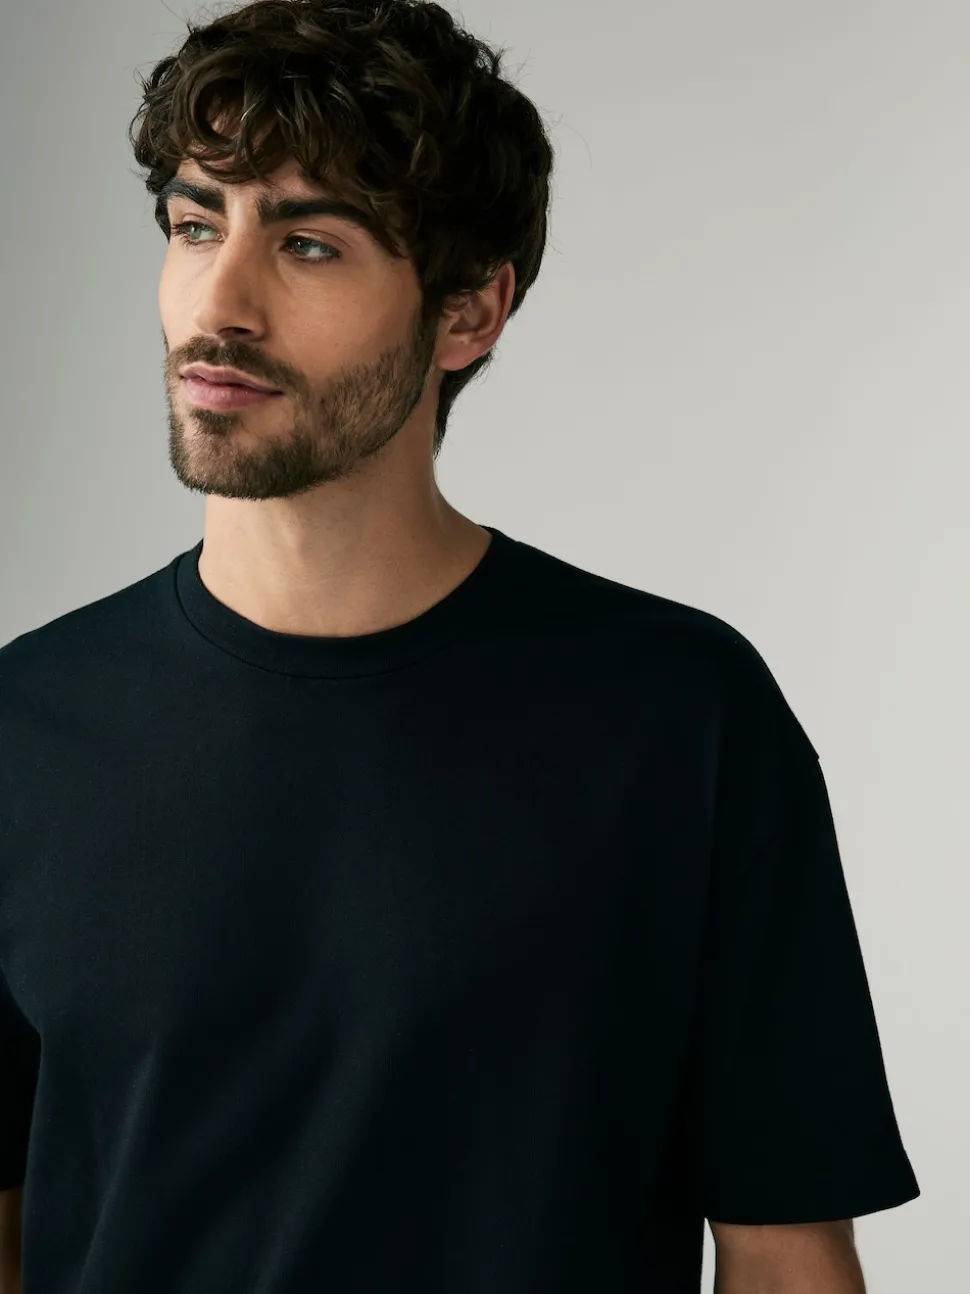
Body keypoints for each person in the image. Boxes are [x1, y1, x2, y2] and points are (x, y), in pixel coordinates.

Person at [0, 2, 919, 1291]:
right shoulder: (24, 730)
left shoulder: (681, 718)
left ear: (470, 312)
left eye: (308, 243)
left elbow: (785, 1256)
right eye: (197, 225)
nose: (219, 303)